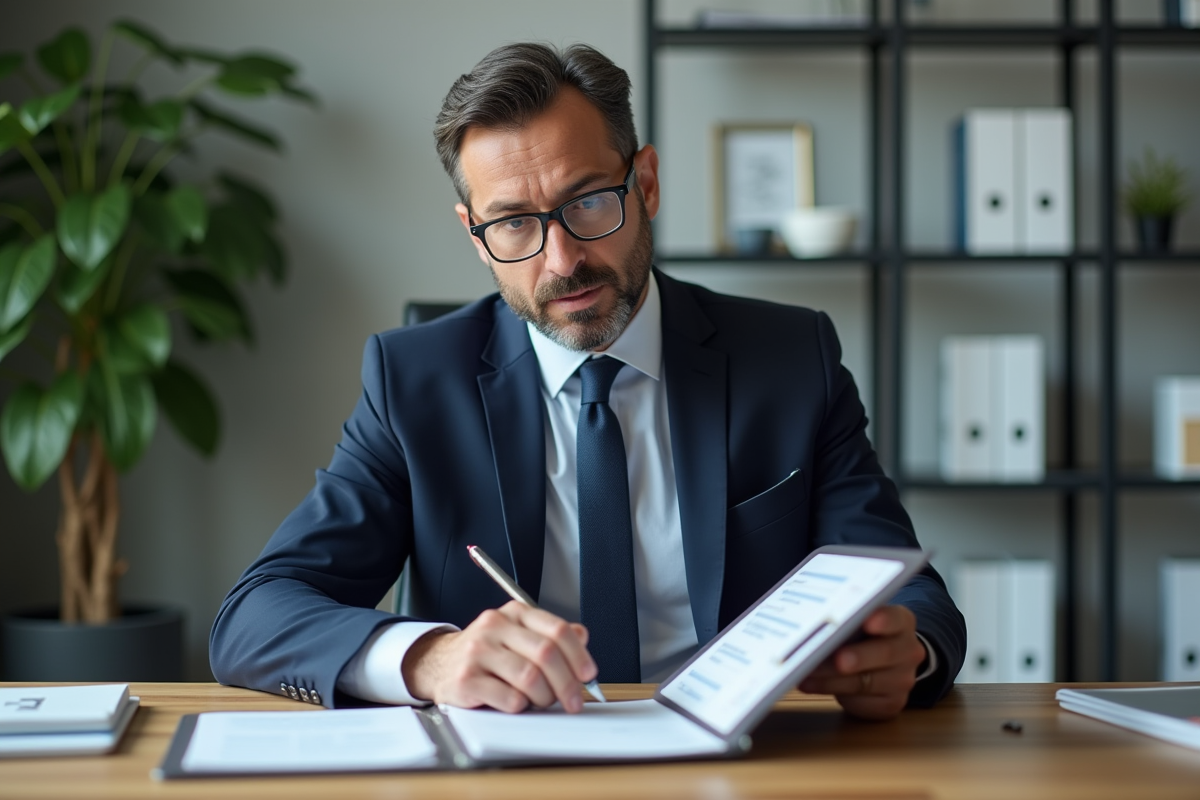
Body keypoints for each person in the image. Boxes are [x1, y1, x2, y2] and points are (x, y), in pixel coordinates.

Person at [210, 42, 965, 721]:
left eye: (588, 203)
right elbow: (255, 616)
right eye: (513, 223)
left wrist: (908, 650)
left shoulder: (790, 357)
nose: (562, 259)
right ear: (475, 236)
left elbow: (910, 594)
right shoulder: (413, 383)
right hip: (507, 773)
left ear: (647, 184)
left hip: (737, 768)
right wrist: (428, 659)